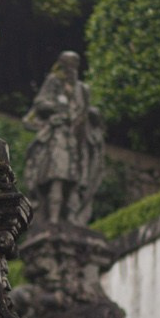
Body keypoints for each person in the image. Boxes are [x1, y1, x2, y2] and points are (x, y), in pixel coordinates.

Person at [24, 51, 104, 227]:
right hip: (59, 135)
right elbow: (40, 103)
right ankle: (52, 218)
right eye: (68, 64)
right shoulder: (54, 81)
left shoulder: (82, 88)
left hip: (78, 138)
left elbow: (86, 111)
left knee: (77, 179)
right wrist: (59, 108)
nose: (71, 68)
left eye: (74, 64)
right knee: (57, 175)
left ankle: (72, 217)